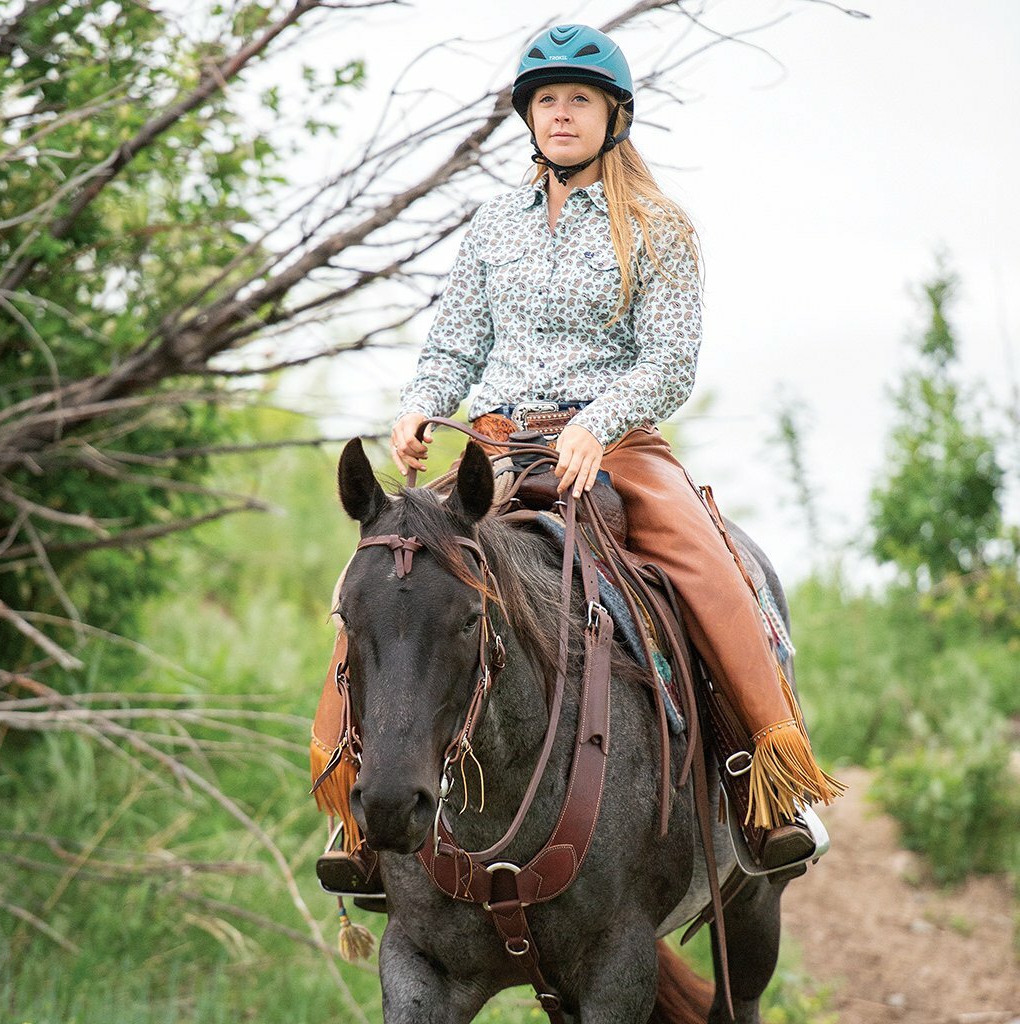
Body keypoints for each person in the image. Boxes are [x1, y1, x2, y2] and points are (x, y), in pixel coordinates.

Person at [311, 24, 843, 892]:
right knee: (385, 579)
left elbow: (669, 360)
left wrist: (599, 421)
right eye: (547, 101)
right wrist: (421, 404)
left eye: (579, 101)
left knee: (711, 572)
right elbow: (454, 344)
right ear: (529, 117)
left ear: (613, 116)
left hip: (615, 446)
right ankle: (353, 807)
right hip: (493, 449)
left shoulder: (658, 227)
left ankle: (766, 782)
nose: (561, 114)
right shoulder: (492, 228)